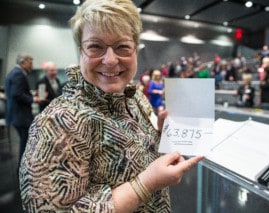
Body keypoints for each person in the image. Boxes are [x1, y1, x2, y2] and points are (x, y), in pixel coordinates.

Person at [19, 0, 204, 212]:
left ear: (135, 50)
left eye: (122, 47)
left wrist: (162, 138)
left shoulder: (135, 99)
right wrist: (145, 184)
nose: (110, 60)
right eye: (95, 46)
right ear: (81, 51)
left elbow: (142, 156)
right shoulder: (57, 123)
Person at [5, 53, 42, 162]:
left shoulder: (13, 72)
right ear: (22, 62)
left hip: (15, 115)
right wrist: (34, 99)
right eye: (30, 63)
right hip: (21, 116)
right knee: (26, 143)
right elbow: (17, 94)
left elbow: (17, 92)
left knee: (25, 142)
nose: (32, 66)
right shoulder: (19, 74)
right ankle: (23, 168)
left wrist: (31, 95)